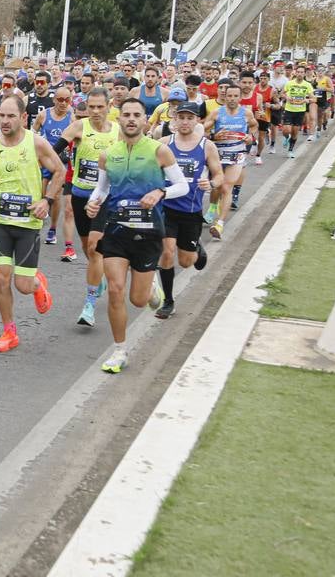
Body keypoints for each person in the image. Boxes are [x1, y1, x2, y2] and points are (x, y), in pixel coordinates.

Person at [83, 98, 189, 372]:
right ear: (120, 120)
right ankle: (119, 350)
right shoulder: (108, 154)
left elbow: (182, 186)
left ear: (145, 121)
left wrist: (160, 192)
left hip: (148, 231)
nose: (131, 119)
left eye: (137, 115)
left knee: (138, 300)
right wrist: (93, 202)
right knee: (115, 290)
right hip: (116, 230)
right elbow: (102, 189)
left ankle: (152, 287)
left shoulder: (159, 151)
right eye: (126, 115)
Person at [0, 94, 64, 352]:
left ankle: (36, 283)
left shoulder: (37, 143)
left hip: (28, 222)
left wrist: (47, 201)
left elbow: (59, 171)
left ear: (23, 118)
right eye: (3, 116)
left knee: (22, 285)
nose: (6, 121)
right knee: (0, 278)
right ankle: (9, 331)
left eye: (11, 116)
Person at [53, 87, 119, 329]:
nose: (95, 112)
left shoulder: (118, 132)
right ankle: (97, 281)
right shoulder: (80, 127)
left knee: (94, 247)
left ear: (109, 107)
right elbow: (54, 149)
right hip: (81, 195)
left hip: (105, 198)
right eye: (91, 107)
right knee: (88, 250)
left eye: (100, 107)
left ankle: (89, 305)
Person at [156, 102, 222, 319]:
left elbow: (219, 175)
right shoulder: (164, 144)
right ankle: (168, 300)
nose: (185, 122)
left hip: (191, 210)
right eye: (181, 117)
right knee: (166, 251)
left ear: (197, 121)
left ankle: (197, 248)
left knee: (186, 261)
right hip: (166, 207)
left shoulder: (207, 147)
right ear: (175, 119)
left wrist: (210, 184)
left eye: (189, 118)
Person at [202, 80, 257, 237]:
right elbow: (201, 131)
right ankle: (213, 207)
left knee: (226, 187)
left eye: (235, 96)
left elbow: (254, 126)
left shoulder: (246, 113)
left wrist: (250, 138)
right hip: (218, 153)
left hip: (237, 153)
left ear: (240, 98)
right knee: (217, 186)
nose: (232, 98)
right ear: (225, 97)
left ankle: (219, 224)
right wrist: (214, 136)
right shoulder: (217, 113)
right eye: (229, 96)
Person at [33, 84, 77, 259]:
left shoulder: (72, 117)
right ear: (54, 100)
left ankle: (52, 229)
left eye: (67, 100)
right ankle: (40, 221)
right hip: (45, 158)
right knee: (43, 193)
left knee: (56, 194)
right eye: (60, 99)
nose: (63, 103)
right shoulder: (44, 115)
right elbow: (33, 131)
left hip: (62, 161)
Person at [280, 68, 314, 158]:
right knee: (286, 130)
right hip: (289, 109)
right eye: (298, 72)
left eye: (302, 72)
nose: (299, 74)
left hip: (300, 111)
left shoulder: (307, 85)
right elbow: (282, 94)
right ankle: (287, 137)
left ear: (304, 74)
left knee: (295, 132)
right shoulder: (289, 83)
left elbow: (314, 99)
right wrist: (286, 97)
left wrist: (307, 100)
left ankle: (290, 150)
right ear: (295, 73)